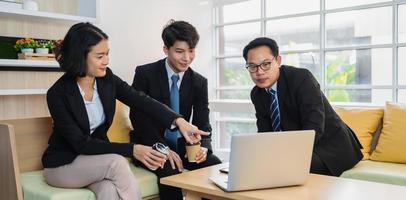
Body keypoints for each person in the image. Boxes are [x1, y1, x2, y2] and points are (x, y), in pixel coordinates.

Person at [42, 22, 208, 200]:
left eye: (107, 54)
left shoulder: (106, 80)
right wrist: (133, 149)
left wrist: (178, 121)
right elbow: (81, 143)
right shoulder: (57, 94)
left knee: (108, 191)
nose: (106, 61)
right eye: (100, 56)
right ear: (80, 57)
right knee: (117, 163)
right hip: (63, 165)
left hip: (95, 162)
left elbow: (140, 100)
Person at [243, 37, 363, 176]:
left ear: (278, 61)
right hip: (295, 149)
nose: (259, 72)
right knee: (257, 166)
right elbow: (265, 132)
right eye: (252, 66)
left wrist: (287, 155)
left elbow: (314, 127)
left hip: (329, 147)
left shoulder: (301, 78)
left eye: (266, 64)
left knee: (287, 167)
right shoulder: (257, 93)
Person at [129, 20, 221, 200]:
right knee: (170, 169)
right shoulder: (145, 74)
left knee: (215, 166)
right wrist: (161, 148)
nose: (187, 58)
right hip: (151, 145)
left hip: (184, 147)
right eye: (180, 51)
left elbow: (203, 120)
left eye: (191, 50)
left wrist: (204, 146)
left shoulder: (199, 82)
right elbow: (137, 117)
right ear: (166, 49)